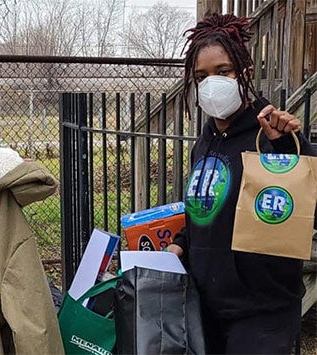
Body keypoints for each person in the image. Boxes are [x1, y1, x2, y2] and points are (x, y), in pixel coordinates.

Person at [167, 13, 316, 354]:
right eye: (201, 76)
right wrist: (179, 246)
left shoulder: (272, 136)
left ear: (245, 74)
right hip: (206, 307)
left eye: (222, 72)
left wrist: (292, 148)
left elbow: (309, 205)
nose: (211, 83)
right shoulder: (204, 143)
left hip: (263, 314)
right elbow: (202, 216)